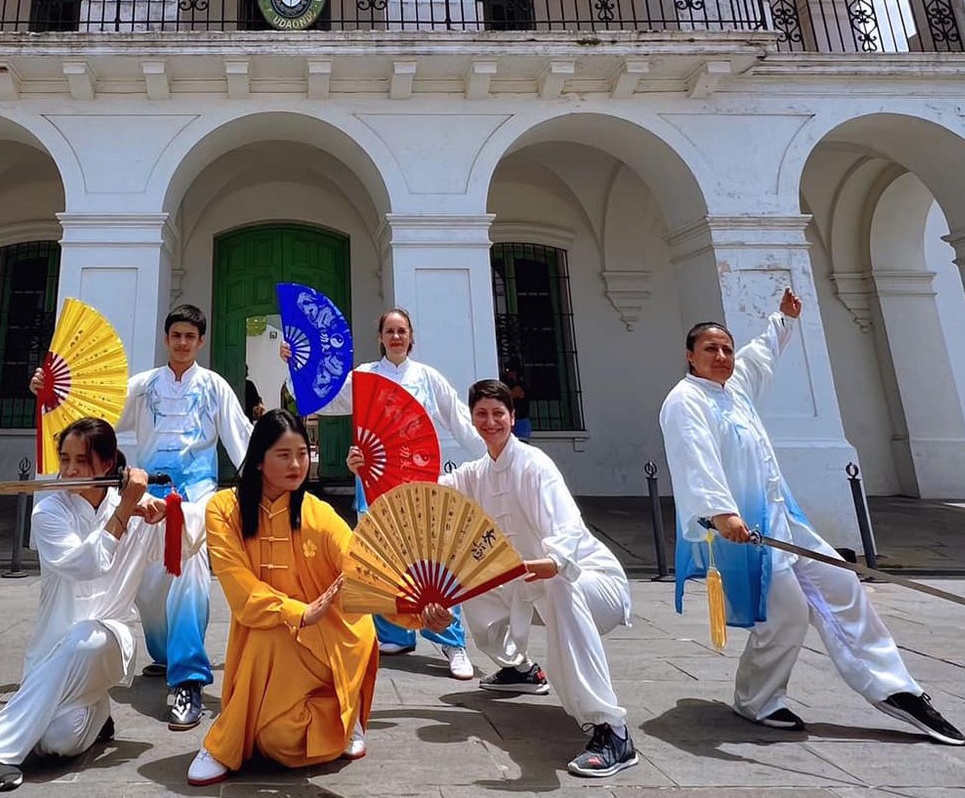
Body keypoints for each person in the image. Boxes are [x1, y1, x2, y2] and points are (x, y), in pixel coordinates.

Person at [660, 287, 965, 745]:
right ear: (690, 356)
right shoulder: (686, 402)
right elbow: (694, 459)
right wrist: (722, 513)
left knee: (842, 583)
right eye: (711, 348)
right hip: (740, 529)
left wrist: (782, 320)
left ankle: (897, 689)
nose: (722, 355)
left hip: (782, 518)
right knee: (785, 615)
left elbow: (761, 357)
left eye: (727, 348)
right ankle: (757, 700)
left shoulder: (734, 387)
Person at [33, 302, 251, 731]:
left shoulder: (215, 386)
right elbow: (93, 419)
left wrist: (264, 483)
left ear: (201, 341)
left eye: (191, 336)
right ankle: (167, 652)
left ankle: (187, 677)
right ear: (167, 339)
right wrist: (49, 393)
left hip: (194, 500)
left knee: (188, 571)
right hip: (144, 494)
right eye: (176, 336)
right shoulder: (144, 385)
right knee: (146, 586)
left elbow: (241, 436)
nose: (183, 343)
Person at [0, 417, 198, 791]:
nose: (70, 471)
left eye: (81, 461)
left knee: (90, 637)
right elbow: (87, 565)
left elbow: (189, 539)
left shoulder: (139, 509)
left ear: (108, 465)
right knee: (57, 742)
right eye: (65, 460)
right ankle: (98, 711)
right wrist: (125, 510)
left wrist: (166, 513)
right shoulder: (50, 513)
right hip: (53, 651)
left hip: (109, 641)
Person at [188, 409, 409, 786]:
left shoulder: (318, 513)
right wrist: (299, 612)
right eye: (284, 455)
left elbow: (364, 566)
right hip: (279, 635)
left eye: (303, 454)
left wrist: (417, 608)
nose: (296, 464)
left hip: (331, 638)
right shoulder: (223, 510)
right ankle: (237, 736)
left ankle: (340, 709)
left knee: (278, 737)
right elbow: (241, 590)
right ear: (258, 460)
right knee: (273, 726)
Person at [444, 380, 637, 778]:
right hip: (528, 582)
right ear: (473, 420)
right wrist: (371, 470)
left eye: (499, 413)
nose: (491, 421)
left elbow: (567, 523)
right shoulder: (475, 474)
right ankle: (520, 669)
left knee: (560, 588)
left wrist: (557, 559)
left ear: (512, 418)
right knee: (472, 585)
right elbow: (424, 488)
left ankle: (612, 731)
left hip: (590, 582)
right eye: (482, 414)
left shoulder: (535, 465)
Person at [324, 306, 486, 680]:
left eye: (402, 331)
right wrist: (294, 369)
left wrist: (494, 456)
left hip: (419, 477)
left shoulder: (428, 378)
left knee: (432, 560)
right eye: (389, 331)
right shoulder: (363, 376)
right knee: (381, 557)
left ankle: (450, 639)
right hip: (375, 478)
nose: (396, 337)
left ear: (411, 337)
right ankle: (394, 633)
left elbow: (460, 419)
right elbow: (327, 401)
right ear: (380, 337)